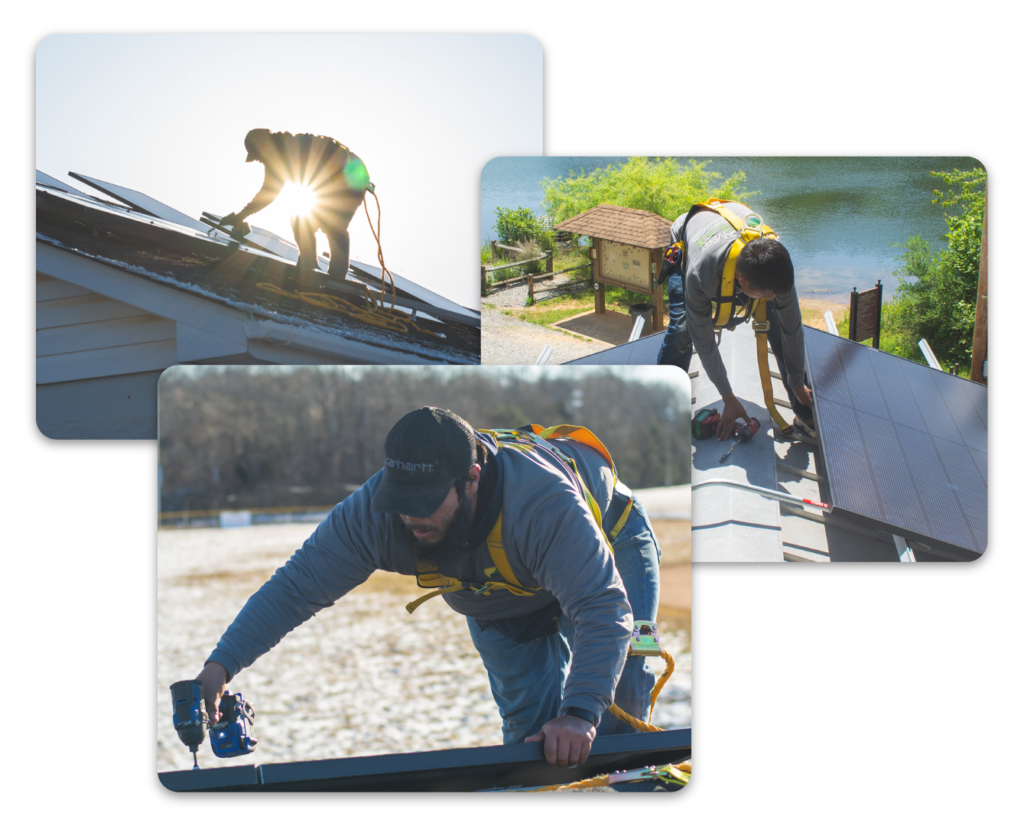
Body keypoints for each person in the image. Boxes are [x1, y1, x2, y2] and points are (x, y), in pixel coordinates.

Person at [193, 408, 662, 768]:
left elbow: (603, 607)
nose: (409, 516)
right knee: (531, 736)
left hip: (608, 550)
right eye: (400, 501)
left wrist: (581, 712)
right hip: (496, 596)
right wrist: (220, 667)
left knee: (620, 701)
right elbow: (296, 588)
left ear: (471, 480)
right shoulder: (376, 513)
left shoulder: (541, 504)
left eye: (424, 503)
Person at [656, 204, 816, 440]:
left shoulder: (775, 266)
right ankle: (661, 408)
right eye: (767, 294)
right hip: (690, 237)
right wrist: (728, 397)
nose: (773, 298)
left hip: (731, 224)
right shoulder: (701, 274)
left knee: (775, 320)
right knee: (682, 329)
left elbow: (791, 329)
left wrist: (796, 381)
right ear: (743, 282)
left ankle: (804, 412)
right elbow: (703, 340)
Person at [220, 128, 372, 281]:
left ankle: (336, 280)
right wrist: (240, 216)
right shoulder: (276, 163)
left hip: (352, 177)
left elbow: (322, 179)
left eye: (258, 156)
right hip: (335, 180)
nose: (260, 161)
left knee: (333, 224)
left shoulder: (295, 147)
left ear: (265, 146)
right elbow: (267, 195)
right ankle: (308, 265)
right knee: (300, 218)